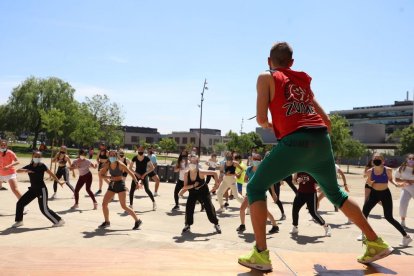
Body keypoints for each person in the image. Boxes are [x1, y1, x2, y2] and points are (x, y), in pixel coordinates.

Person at [238, 42, 393, 272]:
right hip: (320, 139)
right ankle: (374, 241)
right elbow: (326, 120)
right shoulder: (301, 80)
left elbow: (261, 118)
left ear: (269, 61)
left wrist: (271, 124)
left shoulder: (265, 77)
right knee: (335, 193)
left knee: (255, 187)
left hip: (294, 141)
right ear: (292, 63)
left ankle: (261, 254)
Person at [359, 153, 412, 247]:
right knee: (364, 213)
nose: (376, 160)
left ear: (383, 161)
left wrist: (397, 184)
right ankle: (364, 234)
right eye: (375, 159)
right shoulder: (370, 171)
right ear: (372, 161)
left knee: (389, 217)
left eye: (379, 159)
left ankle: (406, 237)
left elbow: (391, 180)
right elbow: (368, 183)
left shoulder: (388, 170)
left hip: (385, 194)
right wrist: (368, 187)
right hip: (374, 194)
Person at [13, 151, 65, 228]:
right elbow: (18, 170)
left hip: (41, 190)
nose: (37, 158)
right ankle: (19, 221)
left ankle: (59, 220)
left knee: (44, 209)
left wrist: (59, 182)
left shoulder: (42, 166)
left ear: (40, 158)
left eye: (38, 157)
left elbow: (51, 174)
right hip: (33, 190)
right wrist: (25, 170)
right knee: (20, 203)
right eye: (35, 156)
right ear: (33, 156)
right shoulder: (29, 166)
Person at [99, 150, 142, 230]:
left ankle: (138, 221)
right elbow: (101, 175)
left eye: (113, 155)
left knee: (124, 206)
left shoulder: (120, 164)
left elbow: (131, 173)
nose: (111, 157)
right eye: (110, 155)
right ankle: (107, 221)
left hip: (120, 185)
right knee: (104, 204)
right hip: (112, 185)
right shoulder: (108, 164)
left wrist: (137, 182)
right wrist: (110, 177)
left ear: (116, 156)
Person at [237, 154, 279, 234]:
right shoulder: (249, 169)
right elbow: (245, 179)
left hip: (260, 193)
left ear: (260, 161)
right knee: (242, 209)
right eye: (254, 159)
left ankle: (275, 226)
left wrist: (273, 193)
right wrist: (250, 182)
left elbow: (270, 182)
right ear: (252, 160)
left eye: (257, 160)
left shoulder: (262, 170)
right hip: (250, 192)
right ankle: (242, 225)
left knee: (265, 212)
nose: (255, 161)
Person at [181, 156, 221, 234]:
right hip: (192, 192)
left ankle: (216, 223)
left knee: (209, 207)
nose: (192, 163)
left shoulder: (201, 172)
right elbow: (184, 186)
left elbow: (215, 173)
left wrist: (217, 184)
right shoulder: (186, 174)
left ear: (197, 163)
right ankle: (187, 224)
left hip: (204, 192)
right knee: (189, 207)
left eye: (194, 162)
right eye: (191, 162)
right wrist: (193, 186)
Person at [290, 172, 331, 236]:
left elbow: (320, 180)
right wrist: (297, 181)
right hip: (300, 193)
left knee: (313, 213)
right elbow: (294, 181)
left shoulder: (312, 169)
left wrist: (320, 187)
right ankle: (295, 227)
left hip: (311, 194)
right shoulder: (298, 169)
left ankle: (326, 226)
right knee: (295, 209)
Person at [129, 145, 157, 211]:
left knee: (147, 189)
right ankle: (131, 205)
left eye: (142, 150)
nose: (140, 151)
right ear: (137, 150)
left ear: (144, 150)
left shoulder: (146, 158)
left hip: (144, 174)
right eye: (139, 149)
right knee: (132, 189)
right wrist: (136, 174)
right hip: (137, 174)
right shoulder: (135, 158)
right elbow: (130, 168)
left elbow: (152, 167)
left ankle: (154, 202)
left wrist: (145, 174)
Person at [395, 153, 414, 228]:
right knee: (402, 204)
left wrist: (412, 181)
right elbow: (396, 179)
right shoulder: (401, 168)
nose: (411, 160)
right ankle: (402, 221)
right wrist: (406, 181)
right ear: (407, 159)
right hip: (406, 189)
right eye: (410, 159)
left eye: (413, 159)